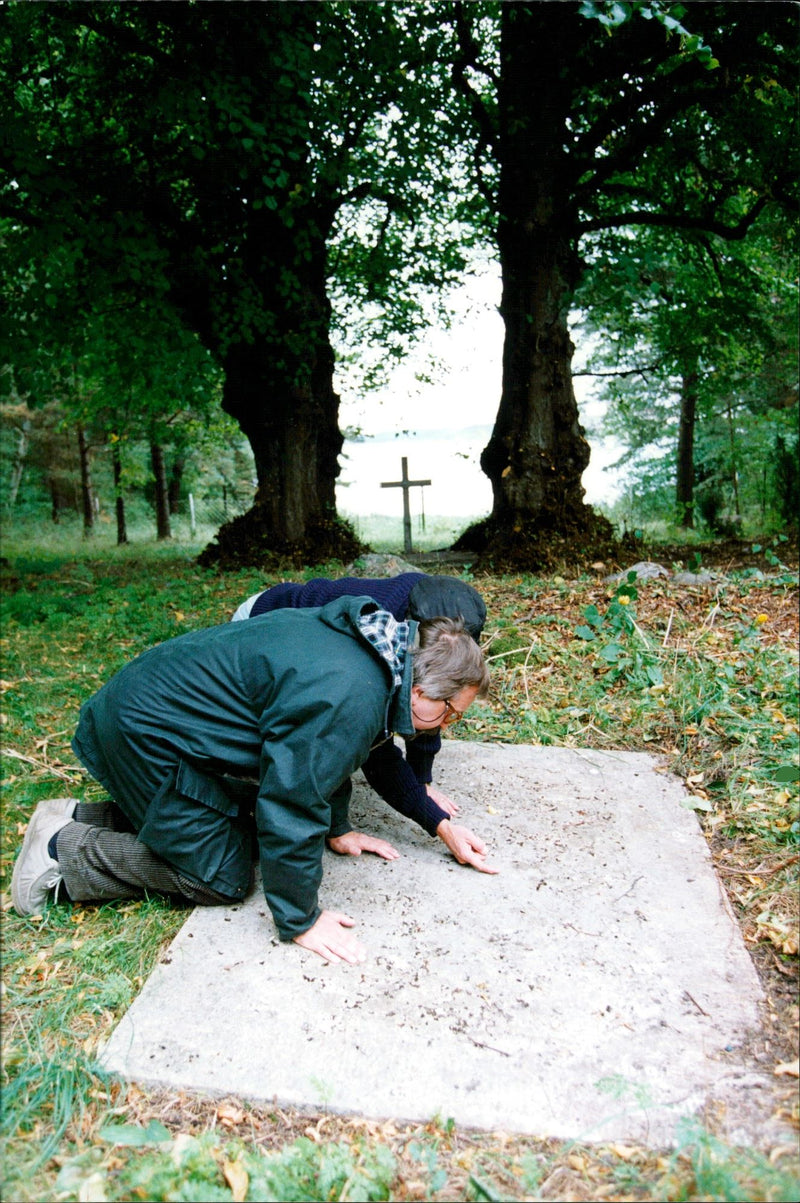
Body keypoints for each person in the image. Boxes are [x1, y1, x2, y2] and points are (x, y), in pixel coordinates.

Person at [11, 599, 494, 964]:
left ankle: (74, 816)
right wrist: (300, 919)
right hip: (143, 734)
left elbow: (349, 748)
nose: (446, 724)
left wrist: (344, 826)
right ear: (421, 689)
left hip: (155, 718)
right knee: (220, 874)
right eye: (450, 712)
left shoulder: (376, 649)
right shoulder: (350, 692)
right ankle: (62, 853)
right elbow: (293, 801)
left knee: (240, 826)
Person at [232, 573, 487, 844]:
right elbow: (359, 742)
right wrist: (338, 828)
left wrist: (421, 783)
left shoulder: (447, 616)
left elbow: (429, 706)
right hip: (263, 618)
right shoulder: (375, 636)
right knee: (291, 747)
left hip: (304, 642)